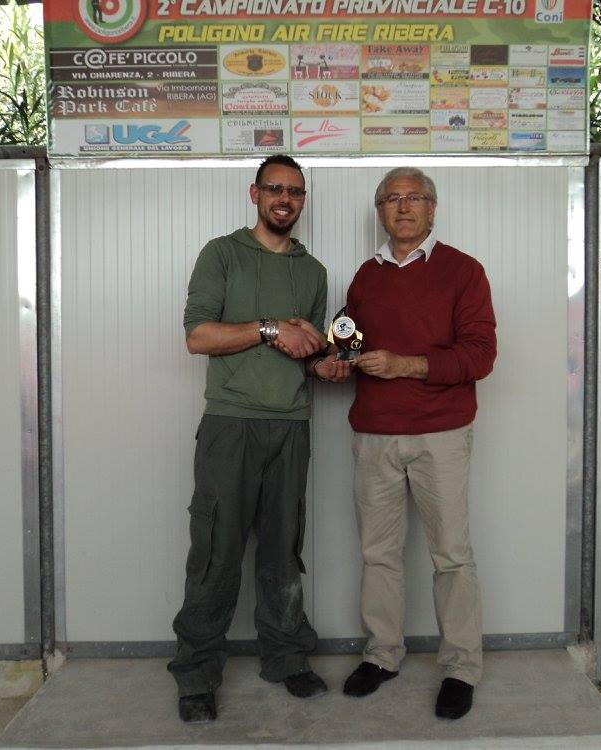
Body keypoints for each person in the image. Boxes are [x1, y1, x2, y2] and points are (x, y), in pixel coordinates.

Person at [169, 155, 350, 723]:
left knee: (282, 551)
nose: (284, 199)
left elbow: (310, 353)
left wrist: (326, 366)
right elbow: (198, 336)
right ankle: (197, 674)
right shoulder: (222, 254)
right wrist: (270, 329)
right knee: (216, 552)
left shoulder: (313, 271)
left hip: (291, 426)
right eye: (275, 188)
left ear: (302, 200)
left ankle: (286, 658)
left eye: (295, 191)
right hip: (231, 424)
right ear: (255, 194)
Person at [341, 167, 497, 720]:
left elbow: (480, 356)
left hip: (441, 434)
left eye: (414, 197)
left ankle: (460, 667)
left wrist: (405, 365)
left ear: (433, 208)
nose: (403, 207)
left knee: (451, 555)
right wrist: (337, 364)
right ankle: (382, 654)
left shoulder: (463, 271)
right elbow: (350, 343)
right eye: (392, 198)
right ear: (379, 211)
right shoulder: (366, 276)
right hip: (375, 435)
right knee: (378, 553)